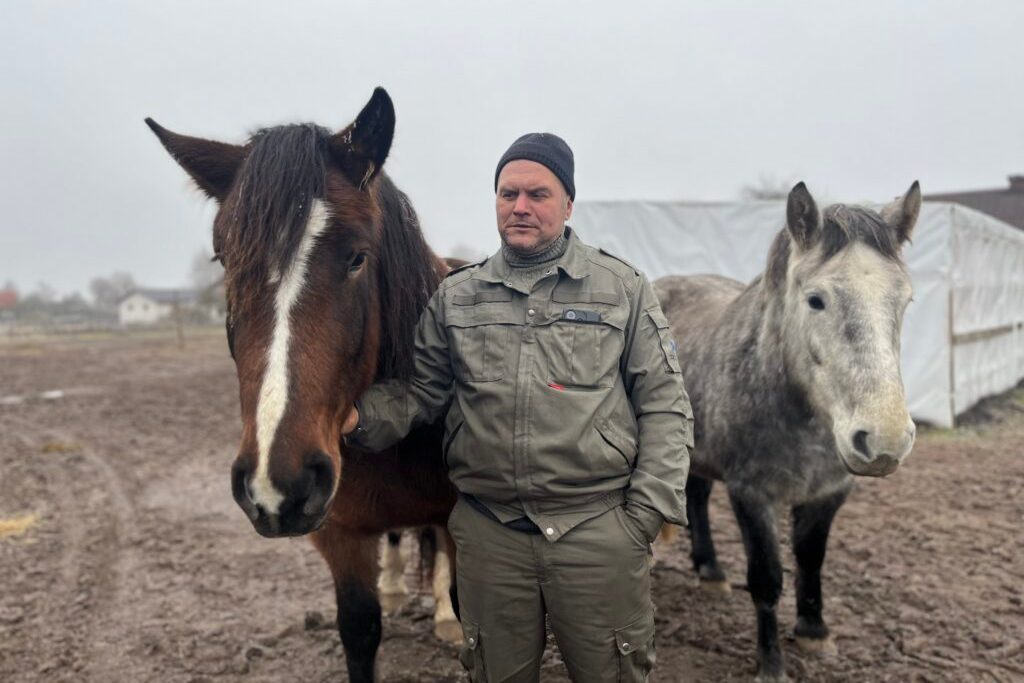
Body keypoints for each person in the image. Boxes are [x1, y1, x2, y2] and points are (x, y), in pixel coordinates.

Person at [343, 132, 692, 682]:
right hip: (491, 536)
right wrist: (357, 418)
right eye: (508, 194)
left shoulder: (621, 289)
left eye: (538, 194)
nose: (520, 207)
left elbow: (666, 405)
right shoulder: (458, 297)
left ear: (568, 204)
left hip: (596, 531)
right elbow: (422, 393)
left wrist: (644, 516)